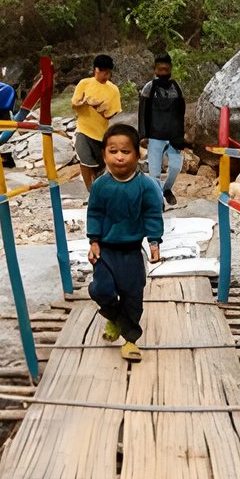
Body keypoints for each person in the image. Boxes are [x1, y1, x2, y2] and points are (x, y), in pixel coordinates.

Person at [87, 124, 163, 362]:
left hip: (131, 251)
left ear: (137, 155)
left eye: (125, 151)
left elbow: (152, 214)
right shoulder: (100, 185)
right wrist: (93, 241)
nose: (119, 156)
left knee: (132, 297)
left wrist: (154, 242)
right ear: (104, 155)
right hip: (106, 250)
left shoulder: (145, 186)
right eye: (113, 151)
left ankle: (130, 341)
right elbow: (94, 213)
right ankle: (116, 318)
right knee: (100, 290)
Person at [137, 53, 185, 209]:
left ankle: (167, 189)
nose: (163, 72)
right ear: (155, 70)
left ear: (170, 69)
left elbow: (181, 112)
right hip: (155, 136)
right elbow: (142, 112)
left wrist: (181, 135)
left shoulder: (177, 87)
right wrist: (143, 135)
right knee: (154, 173)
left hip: (173, 136)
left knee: (176, 167)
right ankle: (158, 200)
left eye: (166, 69)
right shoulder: (149, 88)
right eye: (160, 69)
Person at [71, 54, 122, 187]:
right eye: (103, 72)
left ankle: (99, 188)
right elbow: (74, 104)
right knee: (85, 160)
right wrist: (84, 103)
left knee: (99, 167)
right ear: (95, 69)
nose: (106, 75)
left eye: (108, 73)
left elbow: (112, 113)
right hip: (83, 129)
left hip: (100, 134)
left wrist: (100, 109)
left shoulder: (113, 90)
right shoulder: (84, 83)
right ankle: (90, 191)